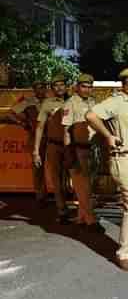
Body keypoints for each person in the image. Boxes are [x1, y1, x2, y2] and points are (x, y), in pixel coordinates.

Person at [86, 67, 128, 272]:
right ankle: (124, 253)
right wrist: (108, 135)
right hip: (125, 160)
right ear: (123, 84)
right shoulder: (117, 101)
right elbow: (91, 115)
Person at [61, 73, 104, 232]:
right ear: (77, 87)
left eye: (90, 86)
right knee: (82, 186)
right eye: (84, 86)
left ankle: (81, 216)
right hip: (78, 149)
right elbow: (66, 131)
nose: (87, 89)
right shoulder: (70, 103)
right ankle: (90, 220)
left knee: (87, 185)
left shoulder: (93, 101)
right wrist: (69, 153)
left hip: (93, 148)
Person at [33, 74, 70, 223]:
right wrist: (36, 151)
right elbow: (40, 127)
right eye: (56, 85)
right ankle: (62, 211)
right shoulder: (48, 103)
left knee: (75, 178)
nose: (59, 88)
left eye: (62, 84)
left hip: (71, 146)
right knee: (56, 179)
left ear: (67, 86)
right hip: (53, 145)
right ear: (52, 88)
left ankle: (83, 212)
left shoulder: (74, 101)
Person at [10, 80, 49, 207]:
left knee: (58, 166)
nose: (40, 90)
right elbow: (11, 113)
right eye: (37, 88)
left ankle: (62, 194)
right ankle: (40, 196)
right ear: (34, 90)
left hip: (53, 138)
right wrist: (22, 123)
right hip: (35, 138)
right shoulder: (28, 102)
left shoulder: (52, 101)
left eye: (42, 87)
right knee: (38, 168)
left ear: (46, 89)